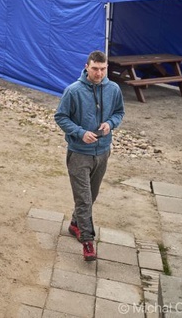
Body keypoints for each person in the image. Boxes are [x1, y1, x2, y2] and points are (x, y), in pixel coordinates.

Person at [54, 50, 125, 262]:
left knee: (91, 196)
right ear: (87, 67)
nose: (99, 73)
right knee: (84, 199)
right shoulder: (73, 91)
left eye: (103, 69)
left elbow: (119, 113)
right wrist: (80, 133)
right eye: (95, 69)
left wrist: (110, 124)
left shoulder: (114, 89)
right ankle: (87, 242)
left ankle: (75, 224)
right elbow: (60, 117)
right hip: (79, 154)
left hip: (103, 152)